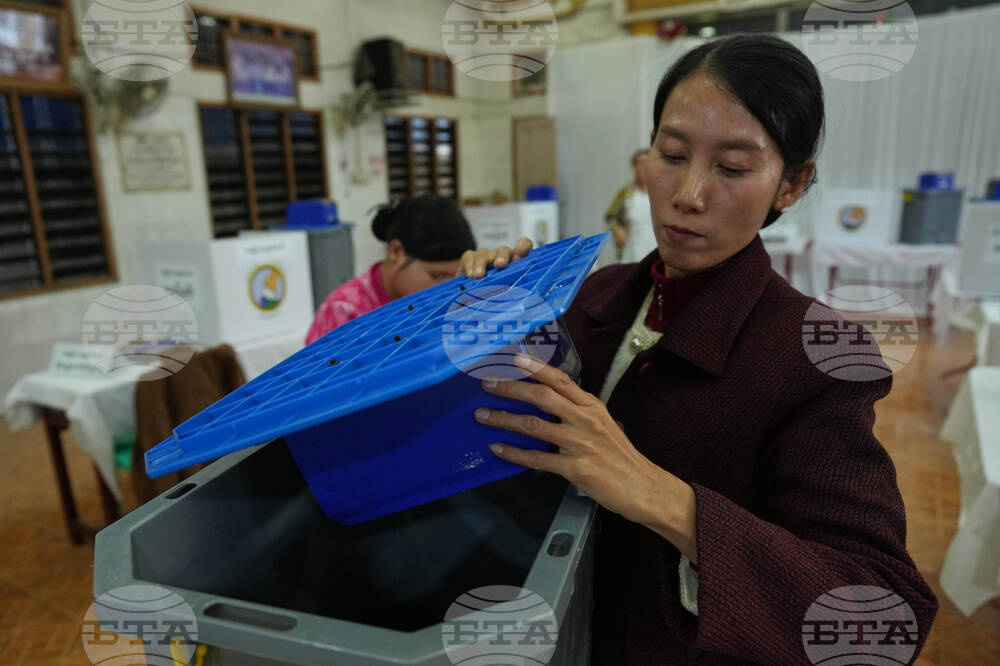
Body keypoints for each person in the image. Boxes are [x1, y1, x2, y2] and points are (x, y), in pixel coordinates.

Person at [457, 34, 937, 665]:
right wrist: (496, 312)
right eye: (672, 153)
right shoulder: (596, 294)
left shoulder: (816, 358)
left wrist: (660, 497)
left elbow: (884, 618)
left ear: (791, 185)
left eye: (732, 167)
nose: (688, 194)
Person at [305, 194, 475, 345]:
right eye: (436, 275)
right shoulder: (344, 312)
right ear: (396, 252)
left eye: (454, 279)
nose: (446, 290)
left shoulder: (446, 302)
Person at [604, 149, 655, 262]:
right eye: (638, 163)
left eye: (645, 163)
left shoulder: (660, 192)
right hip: (631, 248)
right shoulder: (625, 193)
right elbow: (610, 218)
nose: (641, 167)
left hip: (655, 247)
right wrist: (618, 230)